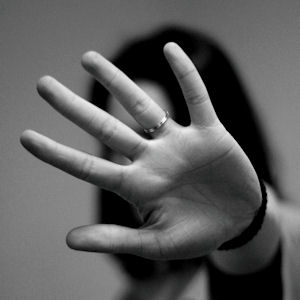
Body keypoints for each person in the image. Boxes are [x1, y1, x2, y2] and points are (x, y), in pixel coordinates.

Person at [20, 26, 300, 300]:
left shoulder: (284, 238)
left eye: (147, 136)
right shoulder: (154, 283)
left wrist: (245, 231)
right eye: (114, 142)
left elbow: (255, 260)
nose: (125, 161)